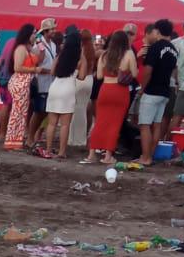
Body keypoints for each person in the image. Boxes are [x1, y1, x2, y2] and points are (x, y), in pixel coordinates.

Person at [87, 30, 138, 161]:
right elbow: (135, 73)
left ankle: (91, 154)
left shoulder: (104, 55)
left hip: (105, 89)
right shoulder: (129, 54)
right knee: (114, 124)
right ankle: (108, 156)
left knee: (100, 122)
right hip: (120, 91)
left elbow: (98, 76)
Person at [138, 20, 178, 161]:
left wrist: (143, 88)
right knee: (157, 124)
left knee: (144, 125)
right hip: (165, 90)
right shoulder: (174, 50)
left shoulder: (155, 47)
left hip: (152, 91)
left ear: (158, 31)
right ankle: (151, 155)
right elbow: (174, 71)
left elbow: (148, 70)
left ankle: (145, 157)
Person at [39, 26, 82, 158]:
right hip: (68, 88)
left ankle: (48, 149)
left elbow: (52, 72)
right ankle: (62, 152)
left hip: (55, 86)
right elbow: (82, 76)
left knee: (52, 123)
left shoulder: (60, 55)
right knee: (64, 125)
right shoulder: (79, 57)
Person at [2, 23, 40, 151]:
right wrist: (34, 69)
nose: (35, 35)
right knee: (17, 113)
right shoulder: (20, 49)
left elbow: (39, 55)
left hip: (24, 83)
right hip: (20, 82)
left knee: (21, 113)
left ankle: (16, 140)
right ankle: (12, 141)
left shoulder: (27, 48)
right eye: (34, 33)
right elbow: (17, 67)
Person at [25, 19, 57, 150]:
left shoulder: (53, 45)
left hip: (50, 82)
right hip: (41, 81)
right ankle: (30, 137)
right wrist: (49, 70)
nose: (54, 31)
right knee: (38, 111)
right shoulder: (38, 46)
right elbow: (35, 64)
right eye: (52, 30)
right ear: (45, 31)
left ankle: (34, 136)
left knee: (44, 112)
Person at [68, 28, 99, 149]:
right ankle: (81, 138)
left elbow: (78, 67)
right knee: (83, 110)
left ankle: (73, 138)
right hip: (89, 80)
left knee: (75, 110)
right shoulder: (93, 51)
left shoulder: (80, 51)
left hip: (80, 80)